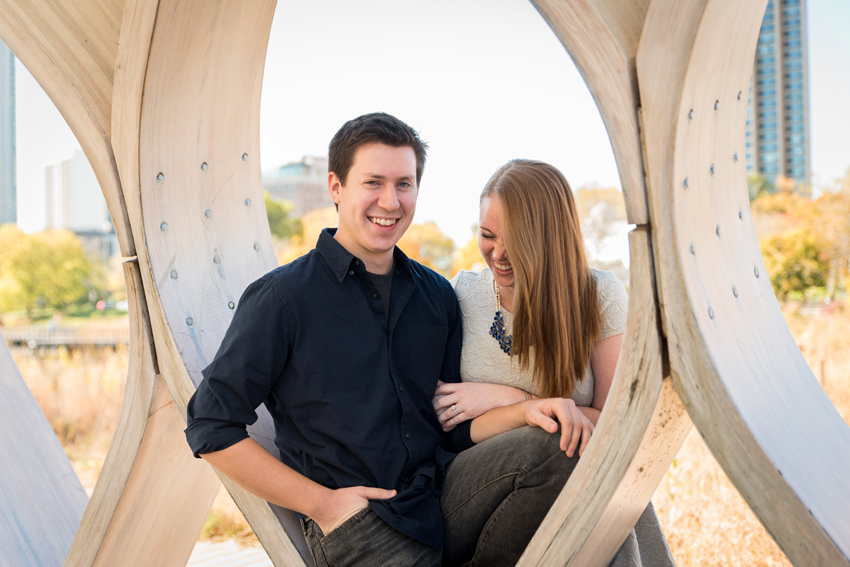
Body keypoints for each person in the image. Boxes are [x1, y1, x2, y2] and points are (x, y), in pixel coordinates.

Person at [185, 114, 593, 567]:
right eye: (373, 182)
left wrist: (526, 408)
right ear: (336, 187)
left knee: (556, 444)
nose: (390, 200)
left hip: (439, 498)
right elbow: (210, 425)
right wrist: (323, 505)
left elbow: (450, 426)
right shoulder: (283, 298)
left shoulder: (436, 295)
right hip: (359, 524)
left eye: (404, 184)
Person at [434, 158, 676, 566]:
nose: (499, 254)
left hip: (567, 477)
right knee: (560, 443)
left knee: (573, 451)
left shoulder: (600, 296)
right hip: (472, 488)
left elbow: (618, 424)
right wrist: (529, 411)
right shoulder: (460, 295)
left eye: (516, 240)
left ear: (550, 236)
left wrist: (514, 399)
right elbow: (448, 423)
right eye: (487, 236)